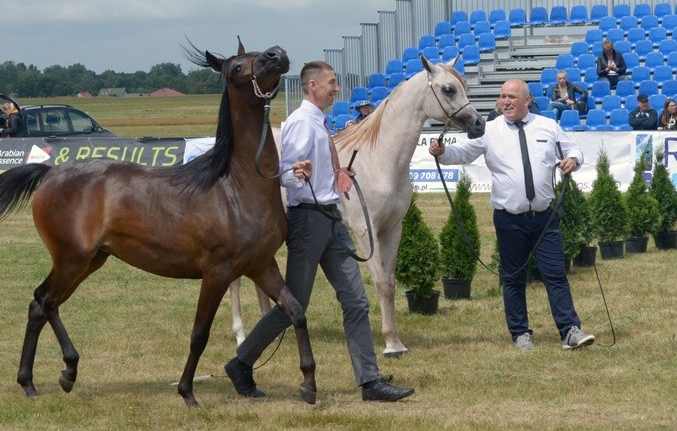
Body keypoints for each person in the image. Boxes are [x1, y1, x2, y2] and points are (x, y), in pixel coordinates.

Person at [224, 61, 414, 402]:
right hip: (308, 222)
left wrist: (335, 177)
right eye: (331, 83)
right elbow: (281, 174)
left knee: (356, 300)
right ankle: (241, 363)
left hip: (331, 219)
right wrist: (297, 172)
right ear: (312, 85)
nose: (336, 89)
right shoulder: (300, 122)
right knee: (292, 305)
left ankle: (369, 382)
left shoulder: (320, 122)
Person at [428, 79, 595, 352]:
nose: (505, 101)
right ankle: (520, 334)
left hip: (545, 218)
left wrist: (573, 161)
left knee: (555, 276)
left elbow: (574, 149)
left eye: (512, 96)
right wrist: (442, 152)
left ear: (527, 100)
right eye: (502, 96)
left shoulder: (547, 126)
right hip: (509, 219)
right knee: (514, 279)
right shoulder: (488, 130)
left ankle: (570, 330)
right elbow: (462, 154)